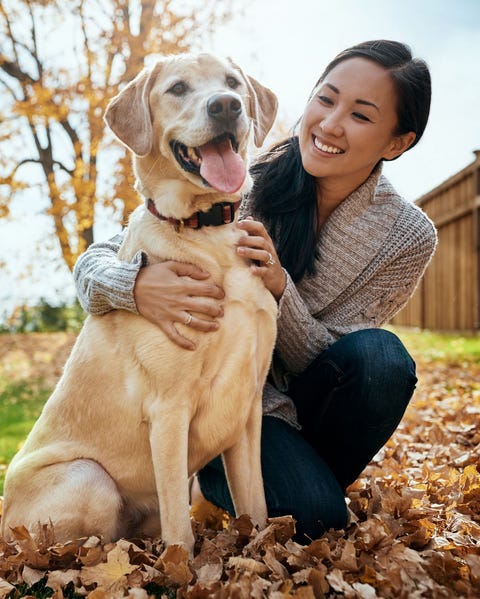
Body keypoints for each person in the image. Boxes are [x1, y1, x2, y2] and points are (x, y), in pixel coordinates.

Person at [74, 40, 437, 542]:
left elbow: (336, 357)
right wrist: (133, 283)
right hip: (232, 412)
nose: (330, 124)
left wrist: (277, 288)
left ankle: (310, 481)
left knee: (382, 359)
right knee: (314, 520)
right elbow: (100, 256)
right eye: (325, 99)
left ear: (396, 143)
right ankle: (286, 488)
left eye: (361, 115)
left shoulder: (406, 236)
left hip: (314, 396)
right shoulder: (234, 181)